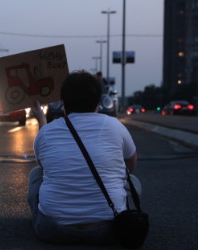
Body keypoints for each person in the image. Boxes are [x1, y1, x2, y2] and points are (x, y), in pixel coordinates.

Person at [27, 71, 139, 245]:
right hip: (109, 229)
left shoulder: (47, 132)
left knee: (35, 174)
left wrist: (42, 120)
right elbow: (131, 166)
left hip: (53, 230)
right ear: (98, 102)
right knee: (133, 181)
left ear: (64, 103)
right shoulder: (115, 126)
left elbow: (43, 166)